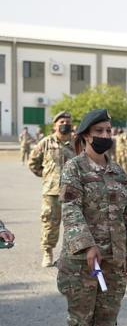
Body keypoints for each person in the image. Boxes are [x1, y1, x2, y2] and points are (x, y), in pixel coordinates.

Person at [57, 108, 127, 326]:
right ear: (86, 136)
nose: (106, 136)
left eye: (109, 131)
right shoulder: (74, 168)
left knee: (106, 318)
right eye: (100, 132)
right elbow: (70, 210)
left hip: (114, 260)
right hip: (84, 261)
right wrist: (87, 244)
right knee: (81, 319)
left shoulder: (117, 171)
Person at [28, 111, 76, 267]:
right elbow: (33, 163)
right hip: (52, 191)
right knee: (50, 222)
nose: (64, 124)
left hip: (73, 191)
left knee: (75, 224)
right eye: (61, 121)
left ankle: (71, 256)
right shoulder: (46, 142)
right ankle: (47, 253)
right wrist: (47, 177)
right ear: (55, 125)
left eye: (67, 121)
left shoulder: (77, 143)